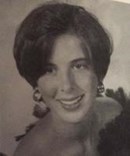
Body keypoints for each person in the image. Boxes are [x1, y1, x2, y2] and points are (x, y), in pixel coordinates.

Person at [13, 2, 122, 156]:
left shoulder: (114, 113)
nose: (67, 85)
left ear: (98, 72)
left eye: (79, 66)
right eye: (49, 70)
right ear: (36, 84)